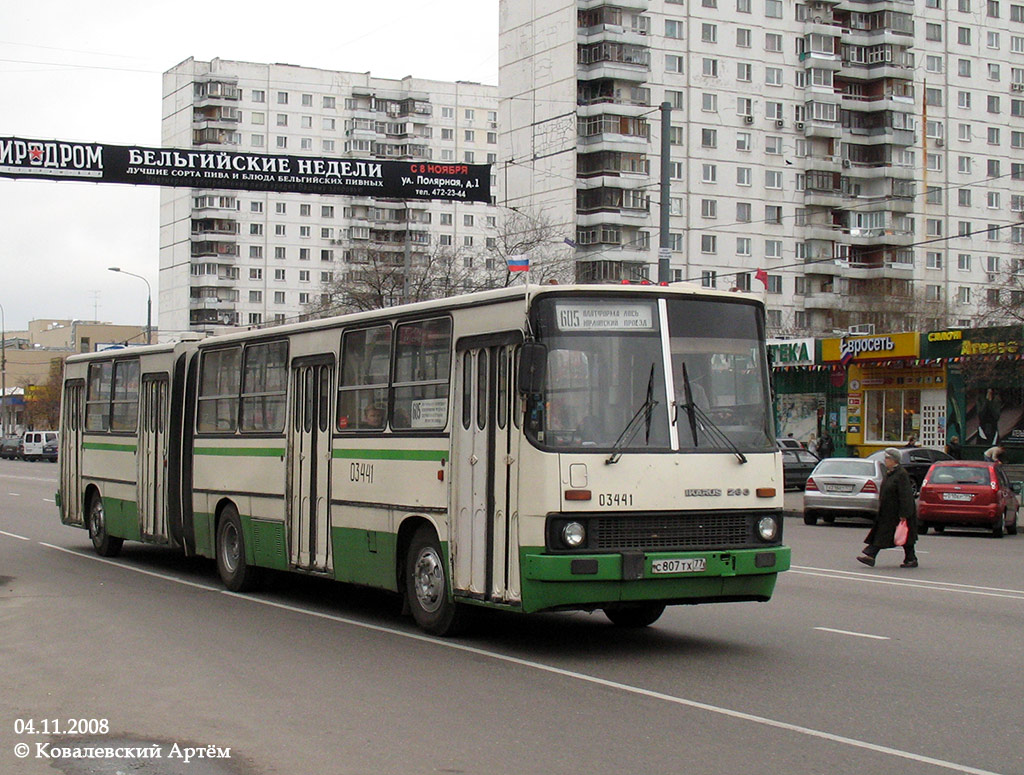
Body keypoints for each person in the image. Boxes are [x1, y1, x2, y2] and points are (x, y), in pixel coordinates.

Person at [858, 447, 918, 568]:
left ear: (894, 460)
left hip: (897, 513)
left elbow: (905, 495)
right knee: (898, 536)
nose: (885, 460)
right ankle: (910, 559)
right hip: (888, 512)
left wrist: (904, 514)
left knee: (896, 535)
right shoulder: (890, 473)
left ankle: (871, 555)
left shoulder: (901, 474)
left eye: (887, 458)